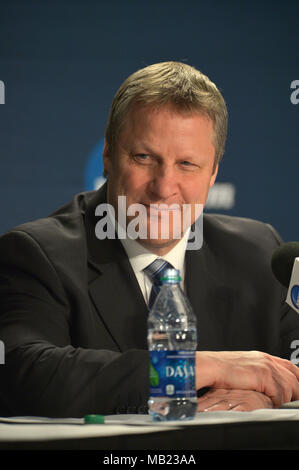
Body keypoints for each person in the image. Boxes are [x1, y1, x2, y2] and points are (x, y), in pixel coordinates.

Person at [0, 61, 298, 418]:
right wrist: (199, 368)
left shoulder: (258, 251)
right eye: (144, 158)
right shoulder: (36, 254)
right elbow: (23, 372)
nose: (163, 187)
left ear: (214, 172)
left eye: (187, 164)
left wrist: (269, 394)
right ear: (108, 155)